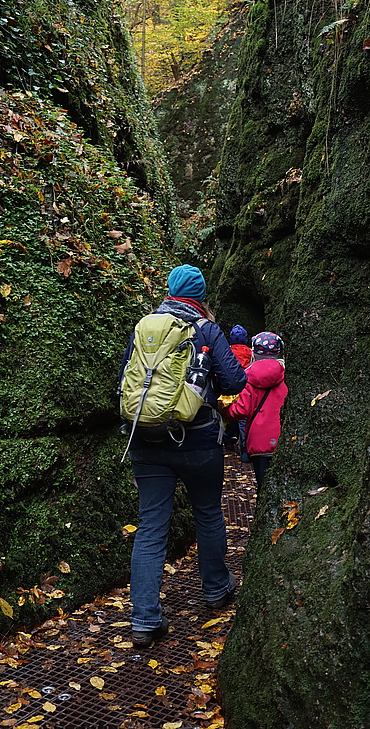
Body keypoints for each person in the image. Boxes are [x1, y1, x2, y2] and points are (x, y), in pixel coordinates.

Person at [120, 264, 247, 648]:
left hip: (146, 441)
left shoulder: (145, 326)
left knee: (151, 526)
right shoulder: (205, 328)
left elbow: (127, 377)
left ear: (170, 291)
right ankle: (216, 590)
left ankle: (144, 620)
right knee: (208, 512)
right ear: (201, 296)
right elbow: (235, 381)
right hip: (197, 441)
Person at [226, 331, 287, 490]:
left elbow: (240, 410)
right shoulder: (287, 375)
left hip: (258, 441)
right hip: (284, 439)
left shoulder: (248, 378)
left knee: (263, 486)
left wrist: (225, 409)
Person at [223, 324, 252, 458]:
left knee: (228, 416)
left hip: (229, 389)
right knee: (244, 420)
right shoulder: (251, 353)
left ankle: (228, 441)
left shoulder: (226, 351)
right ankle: (244, 451)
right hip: (245, 389)